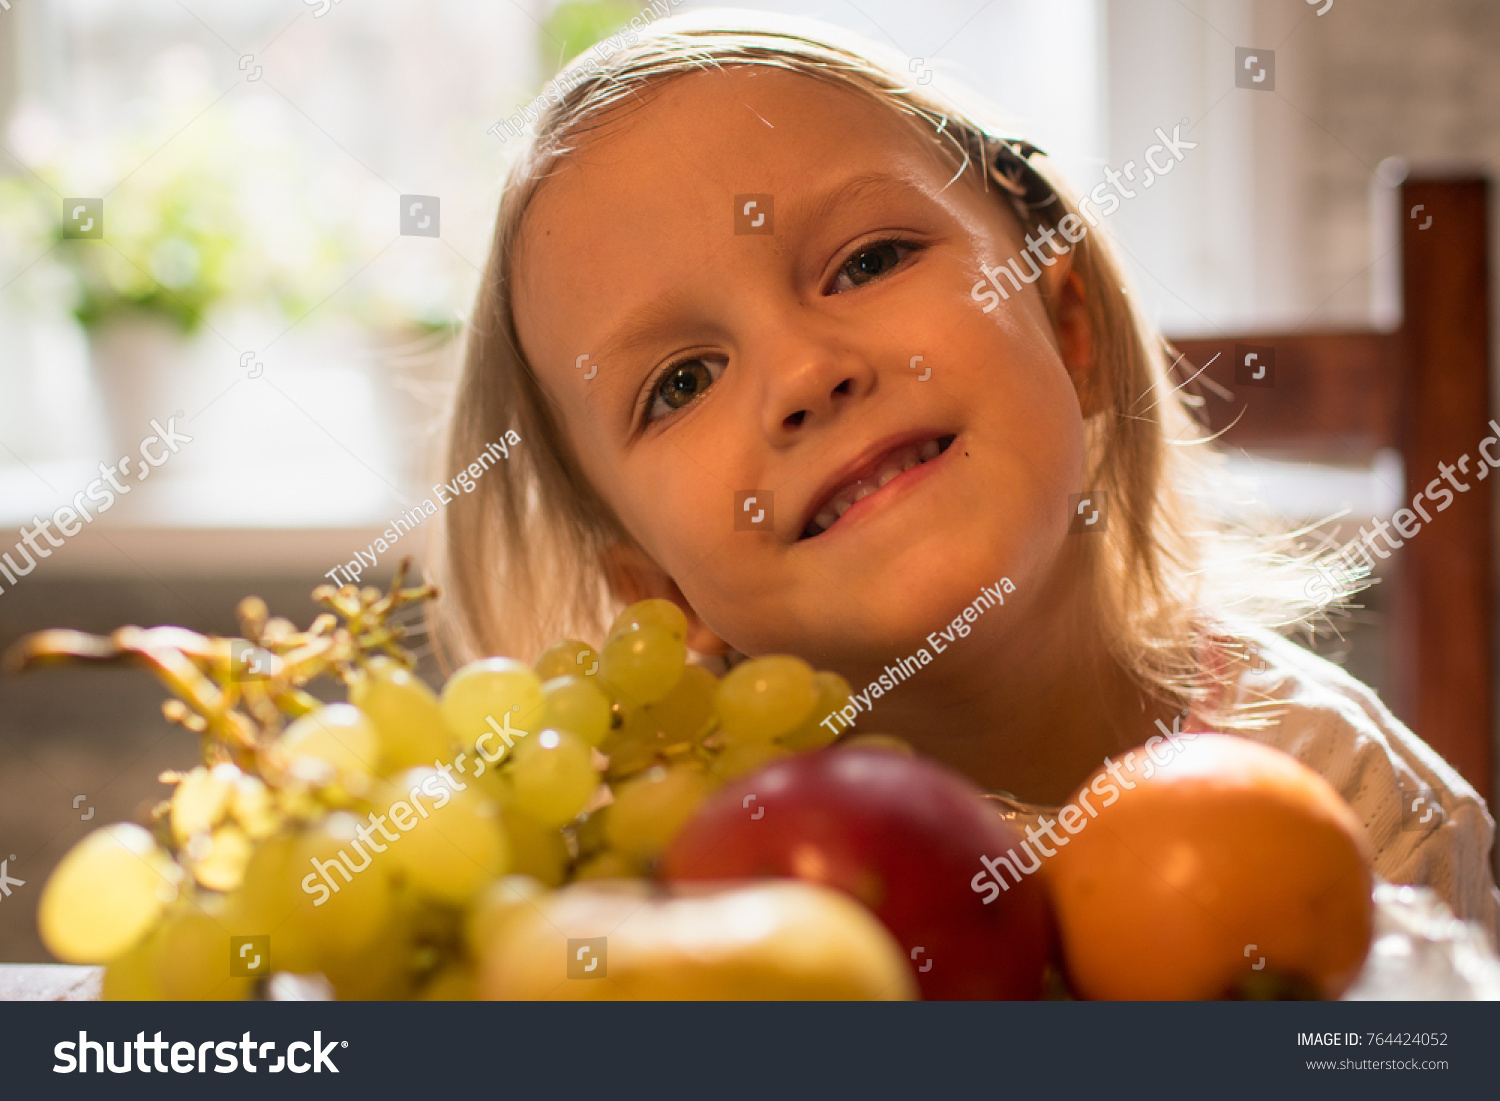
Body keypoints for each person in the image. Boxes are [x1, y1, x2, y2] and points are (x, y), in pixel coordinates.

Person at [435, 10, 1500, 938]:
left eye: (868, 261)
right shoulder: (659, 877)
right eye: (680, 382)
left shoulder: (1351, 805)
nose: (806, 372)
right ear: (657, 600)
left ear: (1066, 322)